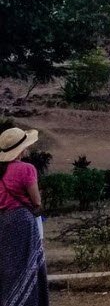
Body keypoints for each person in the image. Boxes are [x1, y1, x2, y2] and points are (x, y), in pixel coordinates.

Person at [0, 127, 48, 306]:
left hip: (2, 221)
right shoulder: (26, 169)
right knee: (28, 266)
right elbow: (36, 201)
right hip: (22, 221)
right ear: (21, 149)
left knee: (7, 267)